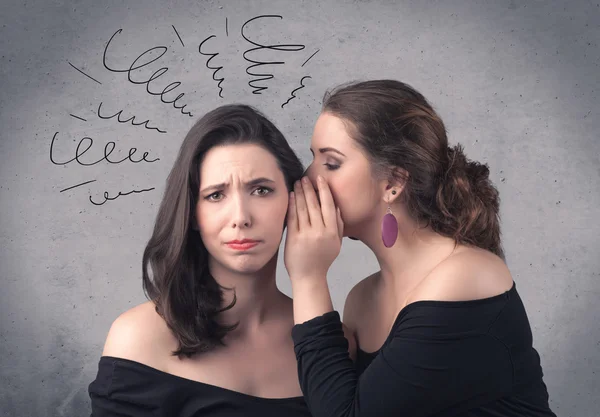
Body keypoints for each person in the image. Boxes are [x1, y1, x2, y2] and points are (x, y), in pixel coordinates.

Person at [284, 80, 557, 416]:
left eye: (332, 163)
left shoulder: (464, 276)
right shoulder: (362, 299)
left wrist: (308, 277)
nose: (308, 178)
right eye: (313, 159)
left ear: (393, 184)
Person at [88, 104, 313, 417]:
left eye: (261, 190)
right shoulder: (139, 337)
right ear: (193, 213)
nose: (241, 218)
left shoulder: (329, 340)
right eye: (216, 195)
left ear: (293, 201)